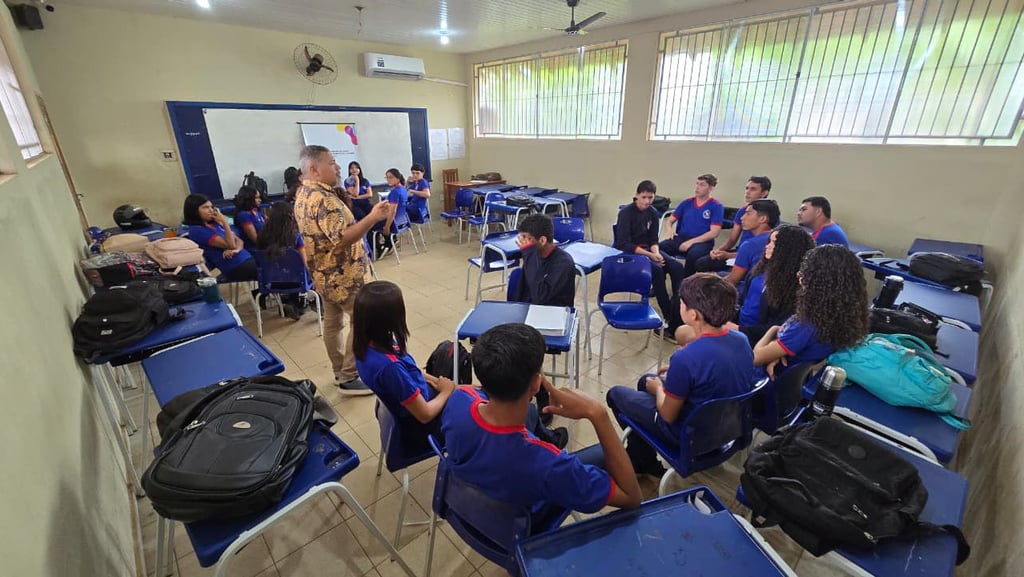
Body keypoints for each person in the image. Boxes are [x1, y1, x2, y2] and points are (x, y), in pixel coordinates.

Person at [441, 323, 642, 523]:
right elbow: (631, 497)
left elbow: (475, 393)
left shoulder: (458, 399)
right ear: (537, 383)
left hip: (467, 511)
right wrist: (598, 413)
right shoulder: (548, 465)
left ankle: (549, 435)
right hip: (517, 528)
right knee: (601, 453)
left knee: (530, 412)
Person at [607, 274, 754, 476]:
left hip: (688, 435)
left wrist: (659, 389)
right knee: (644, 381)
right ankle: (639, 457)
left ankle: (644, 460)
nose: (679, 305)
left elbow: (668, 415)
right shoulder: (741, 340)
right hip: (728, 427)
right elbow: (716, 369)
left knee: (616, 394)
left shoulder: (686, 358)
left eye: (682, 302)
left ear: (693, 315)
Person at [293, 144, 392, 395]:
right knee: (362, 321)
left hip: (323, 274)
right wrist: (372, 217)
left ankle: (339, 370)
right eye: (332, 162)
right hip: (343, 275)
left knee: (333, 323)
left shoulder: (303, 193)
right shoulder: (324, 199)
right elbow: (342, 238)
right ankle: (349, 376)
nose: (338, 167)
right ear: (314, 168)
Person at [353, 281, 456, 449]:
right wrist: (446, 392)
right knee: (475, 418)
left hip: (414, 404)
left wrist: (439, 382)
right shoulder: (390, 368)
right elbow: (425, 414)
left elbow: (411, 370)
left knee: (468, 391)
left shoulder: (369, 343)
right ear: (390, 319)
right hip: (419, 427)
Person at [753, 244, 869, 378]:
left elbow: (756, 357)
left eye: (805, 272)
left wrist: (772, 330)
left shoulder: (806, 325)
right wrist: (777, 351)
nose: (798, 275)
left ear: (818, 282)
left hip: (778, 379)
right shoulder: (846, 314)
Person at [511, 213, 577, 421]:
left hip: (553, 316)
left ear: (542, 240)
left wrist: (528, 254)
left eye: (527, 239)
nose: (522, 244)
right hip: (529, 313)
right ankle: (519, 391)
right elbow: (524, 292)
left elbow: (541, 295)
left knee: (526, 350)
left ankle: (542, 393)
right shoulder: (533, 255)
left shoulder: (563, 263)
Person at [614, 180, 685, 323]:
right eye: (644, 197)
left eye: (650, 197)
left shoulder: (652, 212)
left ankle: (677, 308)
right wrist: (650, 255)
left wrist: (656, 253)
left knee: (677, 267)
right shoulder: (626, 213)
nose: (647, 201)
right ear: (637, 195)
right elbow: (624, 243)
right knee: (658, 270)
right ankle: (669, 316)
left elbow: (653, 239)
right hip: (629, 252)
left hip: (648, 250)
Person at [735, 224, 815, 345]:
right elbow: (743, 302)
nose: (767, 246)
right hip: (737, 327)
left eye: (774, 243)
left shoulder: (794, 285)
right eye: (769, 241)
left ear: (789, 250)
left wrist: (740, 330)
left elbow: (778, 327)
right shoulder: (759, 270)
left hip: (756, 339)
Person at [696, 176, 772, 273]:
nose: (747, 192)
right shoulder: (742, 211)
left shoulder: (770, 214)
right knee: (702, 263)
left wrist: (728, 255)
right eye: (747, 188)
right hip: (739, 252)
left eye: (753, 189)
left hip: (754, 256)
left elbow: (758, 252)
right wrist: (718, 251)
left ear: (764, 193)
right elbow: (732, 240)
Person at [658, 173, 723, 276]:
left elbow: (714, 232)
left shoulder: (716, 206)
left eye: (702, 185)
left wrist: (691, 242)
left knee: (694, 254)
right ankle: (670, 274)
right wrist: (669, 231)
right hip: (682, 237)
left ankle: (686, 281)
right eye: (697, 184)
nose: (697, 187)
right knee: (660, 247)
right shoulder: (687, 203)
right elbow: (670, 220)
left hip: (702, 241)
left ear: (711, 188)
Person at [183, 193, 257, 282]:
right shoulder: (197, 230)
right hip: (235, 267)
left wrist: (236, 250)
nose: (211, 210)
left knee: (269, 264)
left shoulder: (215, 224)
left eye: (211, 207)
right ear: (194, 210)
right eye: (205, 207)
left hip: (247, 259)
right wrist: (224, 222)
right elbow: (231, 244)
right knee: (268, 270)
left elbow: (239, 241)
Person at [256, 202, 308, 320]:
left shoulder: (262, 236)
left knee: (288, 270)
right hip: (296, 280)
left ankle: (290, 303)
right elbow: (304, 262)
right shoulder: (295, 236)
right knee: (302, 271)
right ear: (290, 216)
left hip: (270, 281)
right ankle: (304, 304)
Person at [723, 199, 780, 287]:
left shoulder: (750, 245)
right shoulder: (779, 239)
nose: (742, 217)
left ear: (762, 219)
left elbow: (732, 281)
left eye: (748, 213)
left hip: (750, 289)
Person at [375, 168, 408, 257]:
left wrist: (387, 227)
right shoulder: (403, 188)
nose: (388, 180)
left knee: (371, 228)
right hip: (401, 220)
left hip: (394, 221)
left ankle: (382, 248)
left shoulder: (395, 192)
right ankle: (392, 240)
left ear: (398, 178)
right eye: (387, 177)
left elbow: (393, 211)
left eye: (391, 177)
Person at [233, 185, 264, 250]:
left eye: (259, 197)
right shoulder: (244, 215)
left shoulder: (257, 212)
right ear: (248, 198)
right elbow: (255, 240)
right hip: (255, 249)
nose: (260, 200)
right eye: (257, 198)